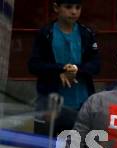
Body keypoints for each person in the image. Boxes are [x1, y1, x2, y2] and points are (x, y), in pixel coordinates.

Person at [28, 0, 100, 136]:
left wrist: (75, 69)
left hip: (81, 106)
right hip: (50, 106)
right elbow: (34, 65)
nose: (74, 11)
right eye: (68, 7)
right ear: (56, 7)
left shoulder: (87, 33)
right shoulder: (46, 33)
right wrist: (60, 70)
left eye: (78, 7)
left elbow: (96, 65)